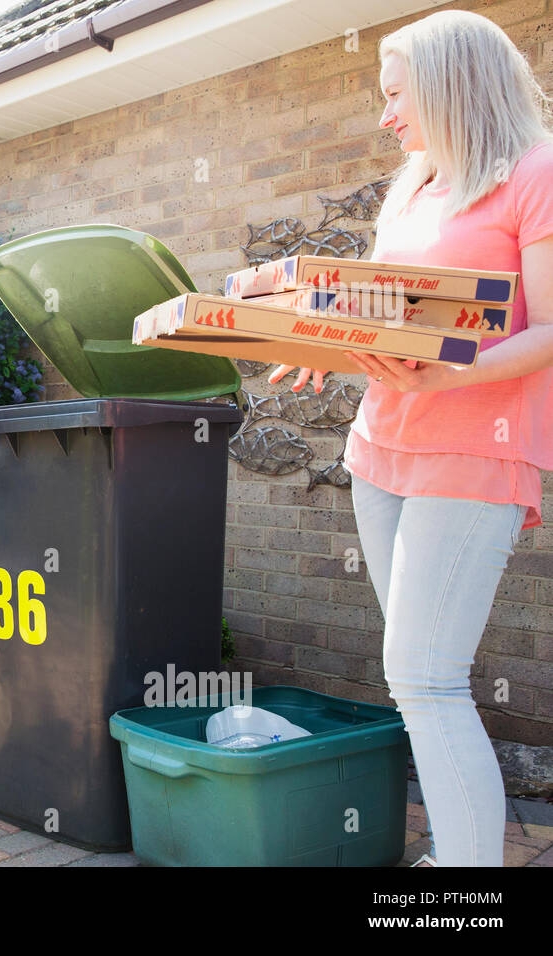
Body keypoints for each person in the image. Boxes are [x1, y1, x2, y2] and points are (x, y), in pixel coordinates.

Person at [269, 9, 553, 866]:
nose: (385, 117)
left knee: (427, 680)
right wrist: (326, 343)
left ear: (448, 85)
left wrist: (446, 372)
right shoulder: (414, 186)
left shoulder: (535, 173)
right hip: (380, 449)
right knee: (416, 680)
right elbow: (394, 318)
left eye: (396, 95)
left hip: (472, 451)